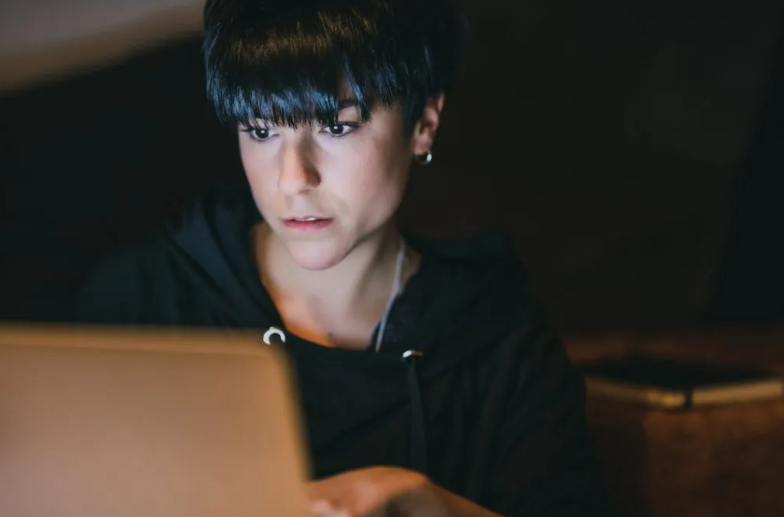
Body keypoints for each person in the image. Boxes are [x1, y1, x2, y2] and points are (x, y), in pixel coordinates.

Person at [73, 0, 614, 515]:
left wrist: (427, 505)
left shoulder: (498, 340)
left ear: (422, 123)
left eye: (335, 126)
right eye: (261, 131)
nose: (293, 179)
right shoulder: (145, 298)